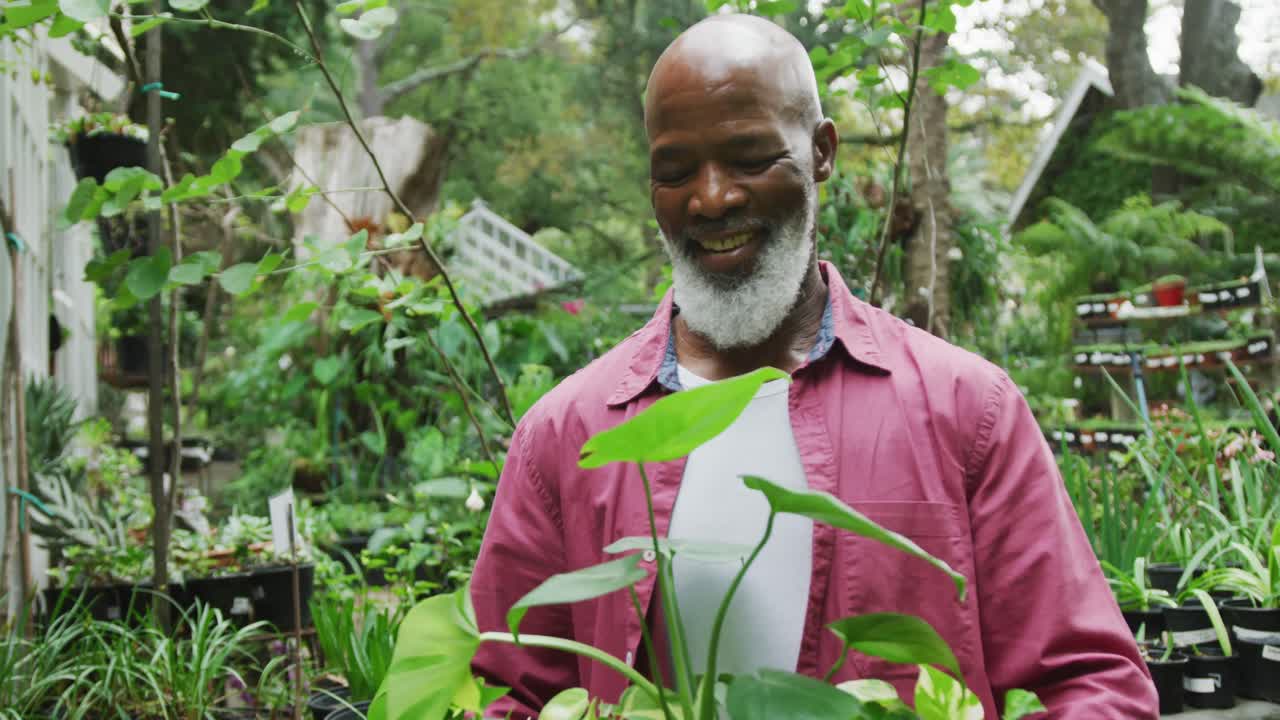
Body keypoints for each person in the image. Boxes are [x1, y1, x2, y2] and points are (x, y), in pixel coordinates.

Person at [470, 13, 1158, 719]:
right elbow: (508, 692)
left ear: (821, 151)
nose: (712, 198)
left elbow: (1088, 684)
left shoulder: (964, 408)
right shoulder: (565, 435)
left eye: (749, 158)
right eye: (676, 172)